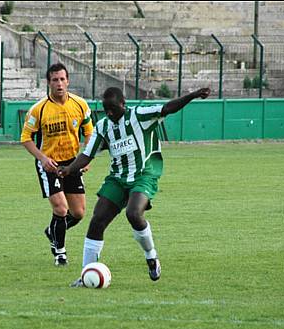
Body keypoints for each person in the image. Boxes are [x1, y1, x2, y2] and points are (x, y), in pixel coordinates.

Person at [58, 86, 211, 286]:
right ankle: (85, 274)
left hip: (143, 175)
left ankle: (151, 256)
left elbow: (167, 108)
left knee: (133, 214)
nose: (109, 113)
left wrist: (192, 95)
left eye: (113, 108)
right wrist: (69, 169)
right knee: (97, 222)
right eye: (106, 109)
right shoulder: (103, 126)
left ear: (123, 104)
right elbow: (87, 155)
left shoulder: (140, 115)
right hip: (117, 178)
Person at [21, 62, 94, 266]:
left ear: (68, 81)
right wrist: (42, 158)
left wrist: (86, 157)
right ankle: (60, 253)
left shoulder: (80, 105)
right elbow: (26, 138)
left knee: (78, 213)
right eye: (55, 80)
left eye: (62, 79)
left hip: (72, 163)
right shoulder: (38, 109)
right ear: (48, 83)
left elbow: (90, 133)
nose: (59, 83)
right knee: (61, 208)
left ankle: (52, 230)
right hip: (49, 164)